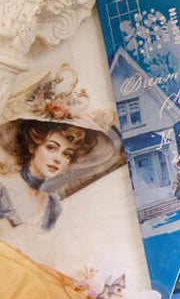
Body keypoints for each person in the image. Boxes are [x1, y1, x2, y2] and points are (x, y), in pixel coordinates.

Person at [0, 70, 118, 235]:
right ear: (33, 146)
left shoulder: (51, 206)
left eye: (67, 154)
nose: (58, 159)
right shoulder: (4, 185)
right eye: (51, 148)